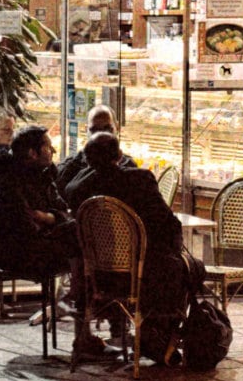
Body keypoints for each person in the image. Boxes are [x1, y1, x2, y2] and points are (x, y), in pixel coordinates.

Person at [66, 131, 190, 360]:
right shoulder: (140, 180)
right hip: (141, 275)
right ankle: (159, 336)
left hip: (97, 277)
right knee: (185, 268)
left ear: (88, 159)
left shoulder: (78, 187)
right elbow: (165, 223)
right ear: (120, 155)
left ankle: (151, 337)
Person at [0, 124, 78, 278]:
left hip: (36, 246)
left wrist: (48, 218)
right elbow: (26, 228)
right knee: (83, 241)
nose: (53, 151)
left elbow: (63, 210)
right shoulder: (7, 181)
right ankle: (79, 295)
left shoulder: (42, 176)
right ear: (32, 153)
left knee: (82, 235)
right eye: (48, 147)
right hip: (17, 256)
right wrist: (57, 222)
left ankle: (78, 294)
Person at [58, 104, 136, 205]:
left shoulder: (131, 168)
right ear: (86, 130)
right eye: (94, 130)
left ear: (117, 127)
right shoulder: (70, 168)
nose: (101, 135)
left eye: (107, 129)